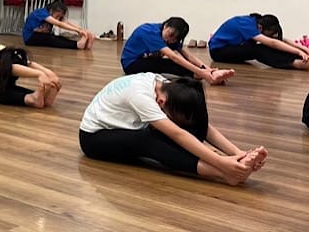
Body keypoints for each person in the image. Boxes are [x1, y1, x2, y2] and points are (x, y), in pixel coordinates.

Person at [79, 73, 268, 186]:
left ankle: (232, 166)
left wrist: (237, 152)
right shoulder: (141, 96)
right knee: (149, 140)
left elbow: (201, 125)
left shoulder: (166, 86)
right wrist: (221, 163)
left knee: (168, 128)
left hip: (123, 128)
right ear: (161, 102)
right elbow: (178, 134)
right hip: (94, 139)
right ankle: (224, 174)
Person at [121, 17, 234, 85]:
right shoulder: (149, 32)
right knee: (168, 64)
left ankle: (211, 75)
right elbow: (173, 57)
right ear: (166, 25)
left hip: (146, 59)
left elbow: (188, 56)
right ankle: (207, 77)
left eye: (174, 38)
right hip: (131, 64)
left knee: (172, 64)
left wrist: (208, 69)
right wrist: (202, 72)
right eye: (169, 34)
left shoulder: (170, 37)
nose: (169, 40)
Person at [209, 13, 309, 70]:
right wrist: (298, 52)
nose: (271, 36)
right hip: (218, 52)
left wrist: (303, 49)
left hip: (231, 47)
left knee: (262, 46)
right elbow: (273, 43)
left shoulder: (256, 22)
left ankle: (299, 59)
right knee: (257, 49)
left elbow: (280, 40)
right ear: (260, 28)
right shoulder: (247, 25)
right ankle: (295, 63)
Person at [22, 0, 95, 50]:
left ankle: (80, 44)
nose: (58, 18)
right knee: (51, 39)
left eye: (60, 17)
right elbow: (59, 24)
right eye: (57, 16)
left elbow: (66, 22)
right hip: (30, 38)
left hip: (41, 36)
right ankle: (77, 45)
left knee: (59, 38)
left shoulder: (52, 13)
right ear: (51, 10)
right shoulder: (41, 13)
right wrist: (77, 30)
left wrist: (81, 30)